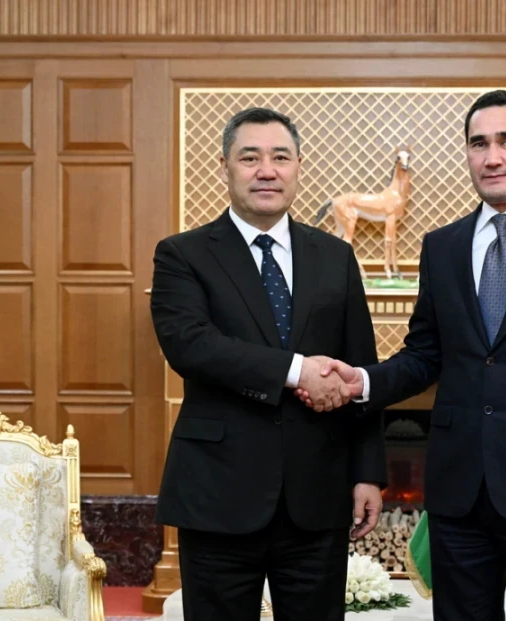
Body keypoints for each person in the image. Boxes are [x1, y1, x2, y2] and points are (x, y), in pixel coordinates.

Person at [299, 90, 506, 620]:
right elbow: (424, 355)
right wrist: (363, 381)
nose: (492, 157)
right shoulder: (443, 246)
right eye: (479, 144)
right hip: (458, 498)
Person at [150, 107, 387, 621]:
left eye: (280, 157)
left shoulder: (335, 256)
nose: (266, 171)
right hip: (218, 494)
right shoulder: (183, 254)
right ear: (225, 166)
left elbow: (360, 369)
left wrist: (368, 473)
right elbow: (191, 345)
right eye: (249, 158)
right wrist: (297, 370)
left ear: (298, 166)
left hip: (317, 494)